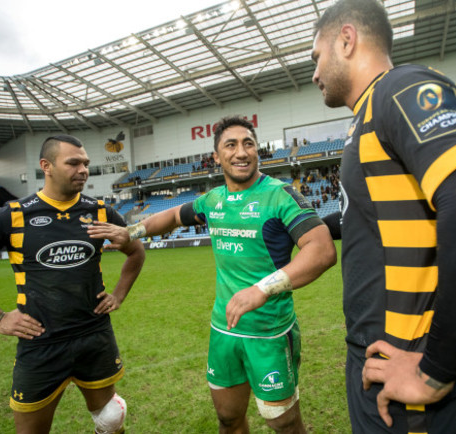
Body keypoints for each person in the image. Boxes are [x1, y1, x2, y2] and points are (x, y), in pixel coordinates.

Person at [311, 1, 456, 432]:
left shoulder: (399, 87)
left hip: (411, 375)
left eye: (316, 57)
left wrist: (436, 371)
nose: (314, 73)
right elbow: (378, 216)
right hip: (380, 362)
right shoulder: (365, 117)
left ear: (347, 40)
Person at [88, 116, 336, 433]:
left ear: (258, 151)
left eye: (248, 143)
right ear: (216, 157)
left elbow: (322, 249)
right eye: (230, 145)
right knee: (228, 419)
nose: (241, 152)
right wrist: (131, 231)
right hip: (223, 330)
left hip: (269, 332)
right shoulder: (213, 199)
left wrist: (262, 288)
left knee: (284, 424)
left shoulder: (279, 195)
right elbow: (172, 216)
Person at [0, 135, 145, 434]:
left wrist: (119, 295)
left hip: (94, 335)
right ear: (46, 166)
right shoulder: (11, 216)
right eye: (73, 163)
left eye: (86, 163)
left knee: (111, 420)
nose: (83, 170)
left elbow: (135, 250)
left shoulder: (101, 212)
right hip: (41, 344)